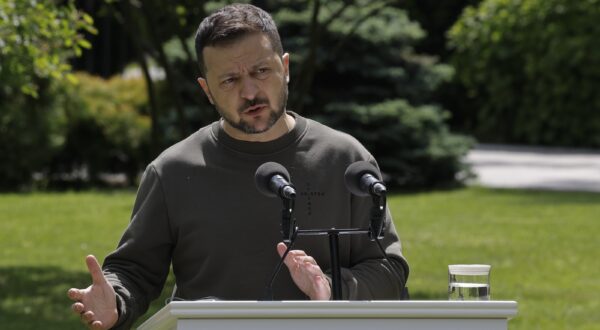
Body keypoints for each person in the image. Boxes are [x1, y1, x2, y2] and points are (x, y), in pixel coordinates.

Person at [67, 3, 409, 329]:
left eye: (261, 71)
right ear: (207, 91)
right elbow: (134, 271)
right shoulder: (173, 170)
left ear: (285, 68)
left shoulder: (345, 159)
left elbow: (388, 271)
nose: (249, 92)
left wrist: (329, 287)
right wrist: (116, 301)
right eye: (229, 80)